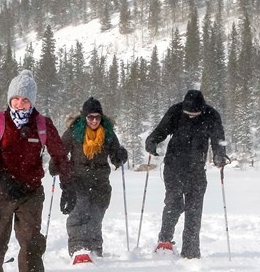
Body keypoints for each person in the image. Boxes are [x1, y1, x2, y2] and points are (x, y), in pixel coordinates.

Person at [0, 69, 71, 272]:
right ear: (10, 99)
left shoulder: (42, 124)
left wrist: (67, 183)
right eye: (16, 99)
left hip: (31, 192)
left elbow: (60, 155)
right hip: (0, 191)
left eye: (25, 99)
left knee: (31, 241)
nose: (19, 103)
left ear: (32, 102)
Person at [145, 89, 228, 259]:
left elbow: (218, 138)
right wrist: (152, 142)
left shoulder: (212, 115)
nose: (191, 116)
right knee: (173, 204)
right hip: (173, 166)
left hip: (197, 169)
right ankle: (165, 241)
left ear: (201, 108)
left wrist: (219, 154)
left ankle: (191, 251)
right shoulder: (176, 111)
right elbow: (160, 130)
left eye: (194, 113)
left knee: (194, 210)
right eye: (188, 113)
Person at [57, 97, 128, 262]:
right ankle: (78, 248)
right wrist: (58, 166)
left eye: (97, 117)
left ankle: (95, 249)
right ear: (84, 117)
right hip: (78, 180)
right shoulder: (74, 132)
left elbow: (116, 156)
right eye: (90, 117)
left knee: (96, 216)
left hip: (100, 182)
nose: (94, 121)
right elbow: (60, 152)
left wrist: (121, 156)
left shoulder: (108, 133)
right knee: (78, 215)